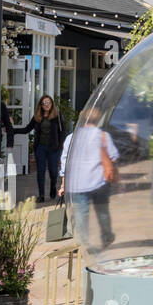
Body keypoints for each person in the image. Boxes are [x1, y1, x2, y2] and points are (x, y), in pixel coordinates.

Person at [58, 108, 119, 255]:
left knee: (80, 215)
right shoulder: (103, 136)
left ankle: (83, 243)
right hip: (99, 182)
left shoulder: (71, 138)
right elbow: (114, 157)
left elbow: (65, 163)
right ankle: (106, 237)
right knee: (102, 211)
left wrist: (63, 184)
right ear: (98, 120)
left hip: (77, 184)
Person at [18, 94, 66, 200]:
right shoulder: (37, 117)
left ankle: (53, 186)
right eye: (44, 103)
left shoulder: (57, 115)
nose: (46, 105)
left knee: (53, 172)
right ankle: (41, 195)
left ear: (51, 103)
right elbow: (27, 129)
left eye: (48, 102)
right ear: (41, 105)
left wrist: (60, 145)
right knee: (41, 171)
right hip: (41, 148)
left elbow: (63, 132)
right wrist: (12, 130)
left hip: (54, 148)